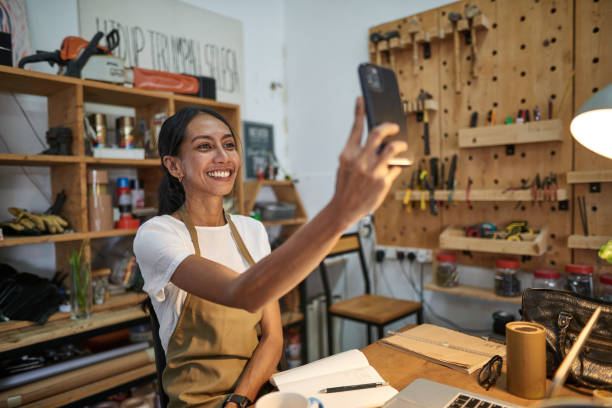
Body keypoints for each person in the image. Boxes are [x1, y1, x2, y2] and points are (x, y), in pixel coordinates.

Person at [133, 98, 406, 408]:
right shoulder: (158, 235)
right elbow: (244, 293)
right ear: (174, 165)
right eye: (205, 147)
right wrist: (342, 210)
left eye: (229, 145)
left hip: (259, 392)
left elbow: (273, 338)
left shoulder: (252, 230)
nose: (224, 157)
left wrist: (240, 399)